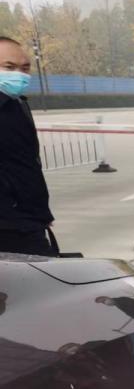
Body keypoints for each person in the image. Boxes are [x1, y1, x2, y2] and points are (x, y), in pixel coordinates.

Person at [0, 36, 56, 256]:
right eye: (9, 67)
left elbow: (27, 164)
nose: (19, 75)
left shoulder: (18, 104)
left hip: (28, 222)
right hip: (9, 225)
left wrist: (41, 212)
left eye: (24, 68)